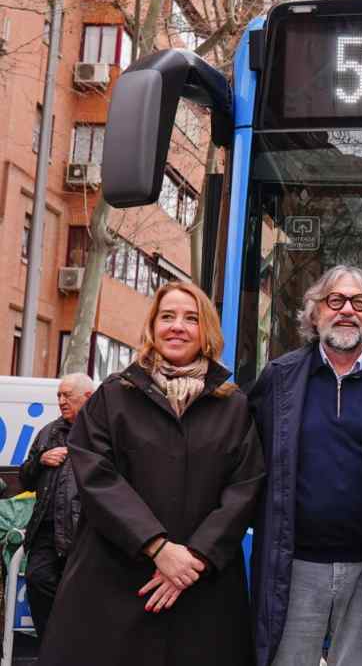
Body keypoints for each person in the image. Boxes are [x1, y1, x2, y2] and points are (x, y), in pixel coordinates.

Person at [37, 282, 264, 666]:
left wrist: (194, 557)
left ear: (206, 331)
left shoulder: (234, 405)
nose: (178, 326)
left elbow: (246, 486)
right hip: (114, 582)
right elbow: (96, 475)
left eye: (191, 319)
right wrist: (157, 547)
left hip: (201, 588)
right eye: (167, 317)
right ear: (152, 327)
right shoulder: (114, 395)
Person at [248, 265, 362, 666]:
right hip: (294, 566)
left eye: (360, 302)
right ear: (314, 312)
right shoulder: (279, 378)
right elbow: (247, 462)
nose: (346, 311)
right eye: (334, 301)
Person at [19, 372, 95, 641]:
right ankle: (51, 646)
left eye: (67, 395)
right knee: (37, 580)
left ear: (87, 397)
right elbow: (24, 478)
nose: (61, 401)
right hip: (45, 530)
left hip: (83, 530)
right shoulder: (48, 432)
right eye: (59, 396)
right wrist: (40, 460)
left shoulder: (100, 432)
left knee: (79, 595)